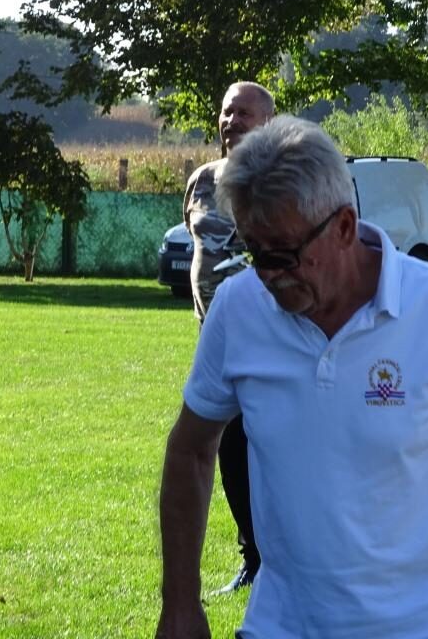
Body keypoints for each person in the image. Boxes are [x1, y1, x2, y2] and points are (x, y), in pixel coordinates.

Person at [157, 115, 428, 639]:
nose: (269, 275)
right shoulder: (239, 309)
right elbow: (190, 451)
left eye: (283, 254)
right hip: (281, 627)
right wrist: (179, 603)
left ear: (345, 227)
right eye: (255, 253)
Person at [183, 81, 275, 593]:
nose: (231, 121)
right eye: (226, 112)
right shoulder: (201, 181)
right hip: (213, 343)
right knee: (227, 450)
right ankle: (253, 558)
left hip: (269, 341)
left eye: (244, 113)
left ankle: (281, 557)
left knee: (268, 449)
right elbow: (199, 242)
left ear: (268, 123)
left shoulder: (281, 182)